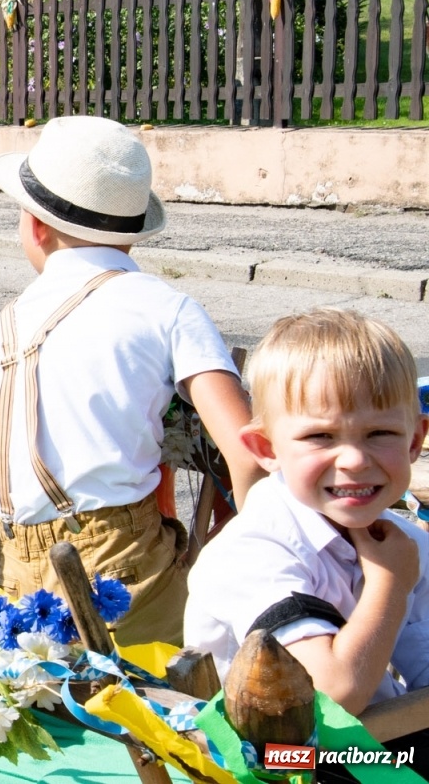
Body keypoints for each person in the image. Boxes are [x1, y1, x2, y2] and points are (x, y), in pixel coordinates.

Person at [0, 115, 254, 647]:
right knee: (161, 713)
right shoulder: (166, 308)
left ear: (35, 225)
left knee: (58, 715)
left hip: (14, 567)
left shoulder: (8, 317)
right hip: (122, 564)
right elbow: (245, 451)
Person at [184, 309, 427, 777]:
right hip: (271, 761)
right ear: (267, 449)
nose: (354, 459)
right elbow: (333, 696)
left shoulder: (401, 541)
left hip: (363, 747)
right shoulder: (256, 550)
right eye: (320, 436)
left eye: (380, 433)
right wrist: (390, 584)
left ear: (415, 440)